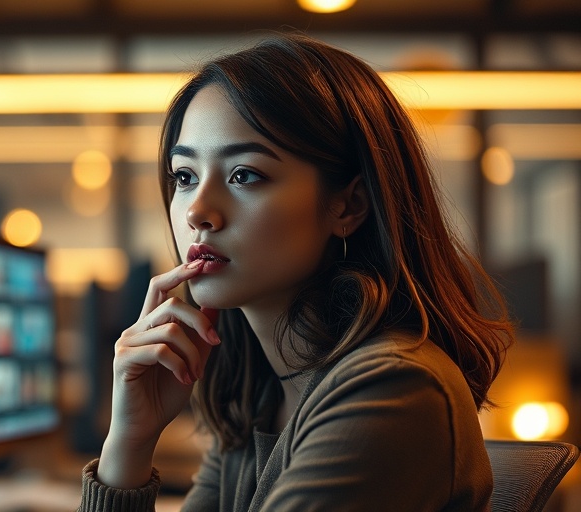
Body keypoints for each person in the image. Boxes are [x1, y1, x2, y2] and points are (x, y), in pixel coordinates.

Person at [78, 32, 514, 511]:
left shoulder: (394, 388)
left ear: (348, 205)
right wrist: (130, 441)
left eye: (244, 174)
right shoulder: (262, 399)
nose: (197, 212)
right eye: (185, 177)